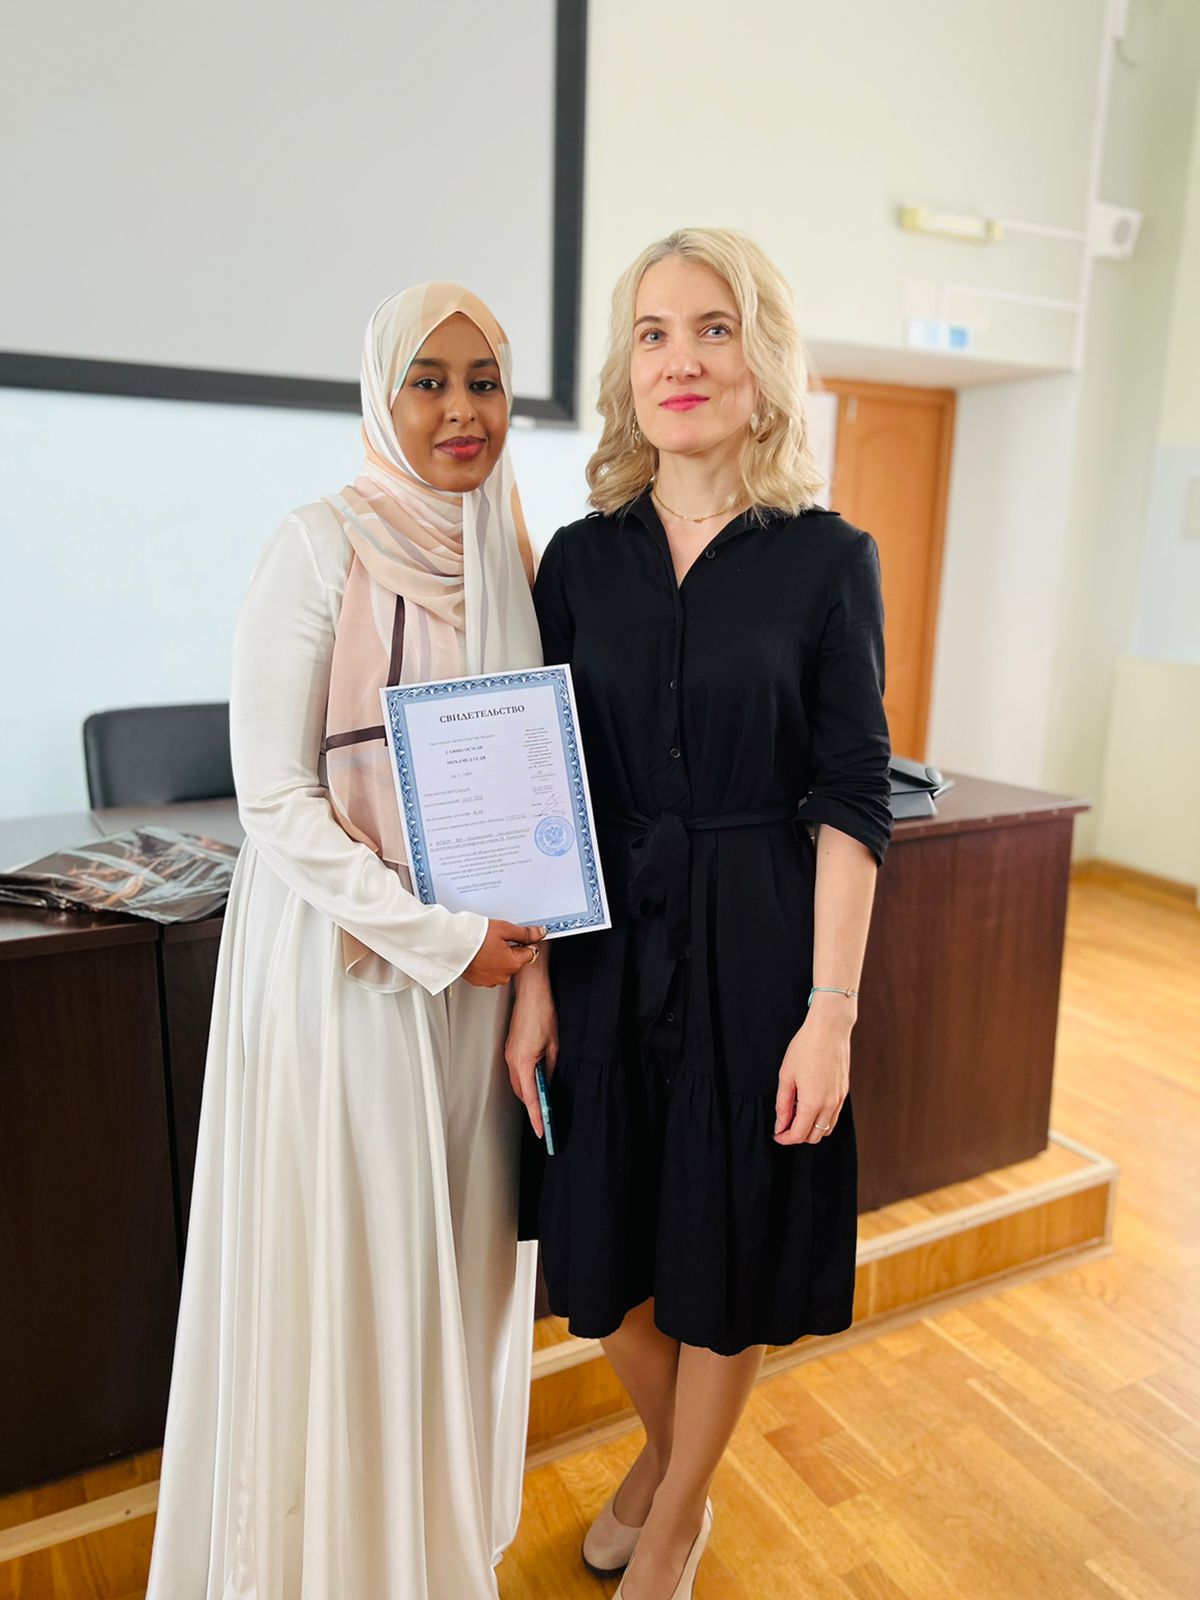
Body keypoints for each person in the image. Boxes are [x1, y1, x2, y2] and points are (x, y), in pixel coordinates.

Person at [146, 283, 558, 1600]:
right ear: (383, 395)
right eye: (429, 380)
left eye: (484, 380)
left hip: (482, 985)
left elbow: (537, 794)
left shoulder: (510, 558)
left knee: (460, 1280)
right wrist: (437, 936)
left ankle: (432, 1558)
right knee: (356, 1276)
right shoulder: (317, 545)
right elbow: (274, 801)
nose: (460, 409)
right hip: (353, 975)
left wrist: (529, 976)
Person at [514, 229, 893, 1600]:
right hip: (605, 943)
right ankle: (675, 1464)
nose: (682, 360)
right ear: (629, 369)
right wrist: (534, 985)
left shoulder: (828, 559)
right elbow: (544, 780)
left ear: (762, 359)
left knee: (730, 1240)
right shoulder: (579, 561)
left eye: (714, 328)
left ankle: (672, 1519)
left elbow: (853, 794)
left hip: (760, 946)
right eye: (654, 332)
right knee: (602, 1246)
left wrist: (830, 1013)